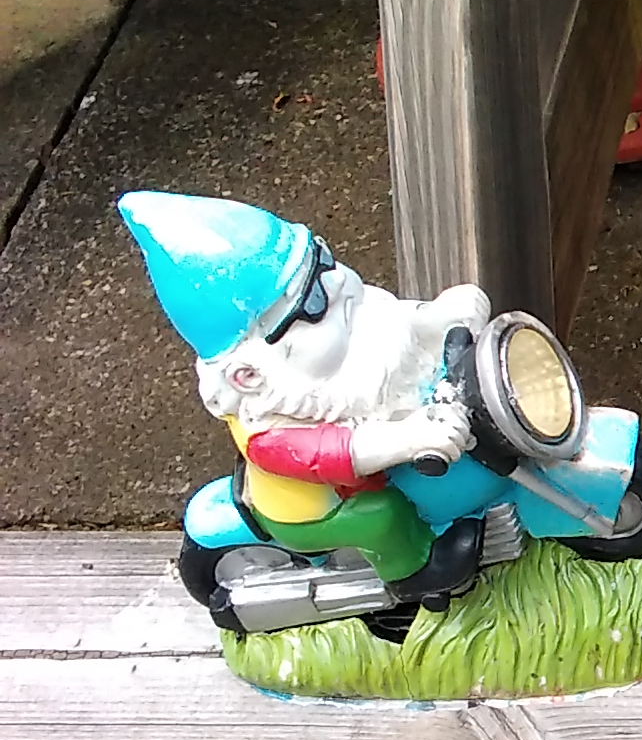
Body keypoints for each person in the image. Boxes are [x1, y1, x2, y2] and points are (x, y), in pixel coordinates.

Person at [119, 189, 489, 599]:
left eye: (324, 260)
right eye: (312, 301)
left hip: (410, 432)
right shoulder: (273, 437)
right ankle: (419, 574)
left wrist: (434, 318)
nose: (339, 284)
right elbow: (348, 448)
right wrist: (409, 438)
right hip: (325, 503)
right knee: (383, 516)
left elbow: (391, 332)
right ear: (248, 375)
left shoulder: (347, 334)